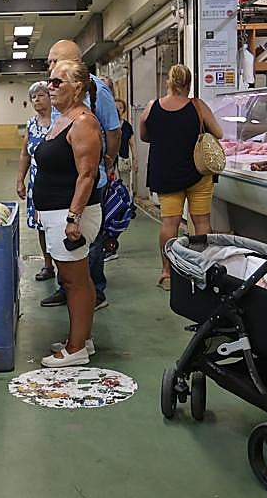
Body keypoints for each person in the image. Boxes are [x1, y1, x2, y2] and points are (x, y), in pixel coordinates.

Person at [40, 40, 121, 312]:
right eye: (50, 63)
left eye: (56, 62)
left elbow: (113, 130)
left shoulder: (97, 92)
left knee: (88, 244)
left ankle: (95, 291)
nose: (51, 69)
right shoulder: (58, 92)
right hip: (63, 184)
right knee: (68, 255)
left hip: (87, 183)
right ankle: (68, 289)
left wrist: (107, 163)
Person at [34, 60, 103, 367]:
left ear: (77, 88)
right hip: (56, 212)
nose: (51, 86)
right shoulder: (63, 119)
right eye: (50, 81)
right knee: (77, 279)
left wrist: (73, 218)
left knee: (74, 282)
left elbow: (87, 175)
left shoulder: (84, 122)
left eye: (57, 81)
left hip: (70, 214)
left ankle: (75, 349)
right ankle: (82, 339)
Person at [141, 64, 223, 290]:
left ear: (169, 82)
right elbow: (218, 133)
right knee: (202, 222)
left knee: (170, 223)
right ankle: (203, 268)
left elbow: (144, 135)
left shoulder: (152, 107)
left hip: (166, 173)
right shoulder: (197, 106)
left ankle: (167, 273)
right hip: (198, 174)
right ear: (189, 83)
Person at [16, 81, 56, 281]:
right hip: (37, 184)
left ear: (51, 97)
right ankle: (48, 265)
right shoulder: (31, 124)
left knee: (58, 224)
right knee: (41, 226)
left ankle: (66, 266)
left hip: (59, 182)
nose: (37, 99)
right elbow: (25, 154)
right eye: (33, 97)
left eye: (41, 95)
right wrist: (20, 181)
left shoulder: (61, 121)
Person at [103, 97, 136, 260]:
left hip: (117, 165)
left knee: (119, 199)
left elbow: (132, 142)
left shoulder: (124, 126)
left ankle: (110, 246)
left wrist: (135, 158)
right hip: (108, 169)